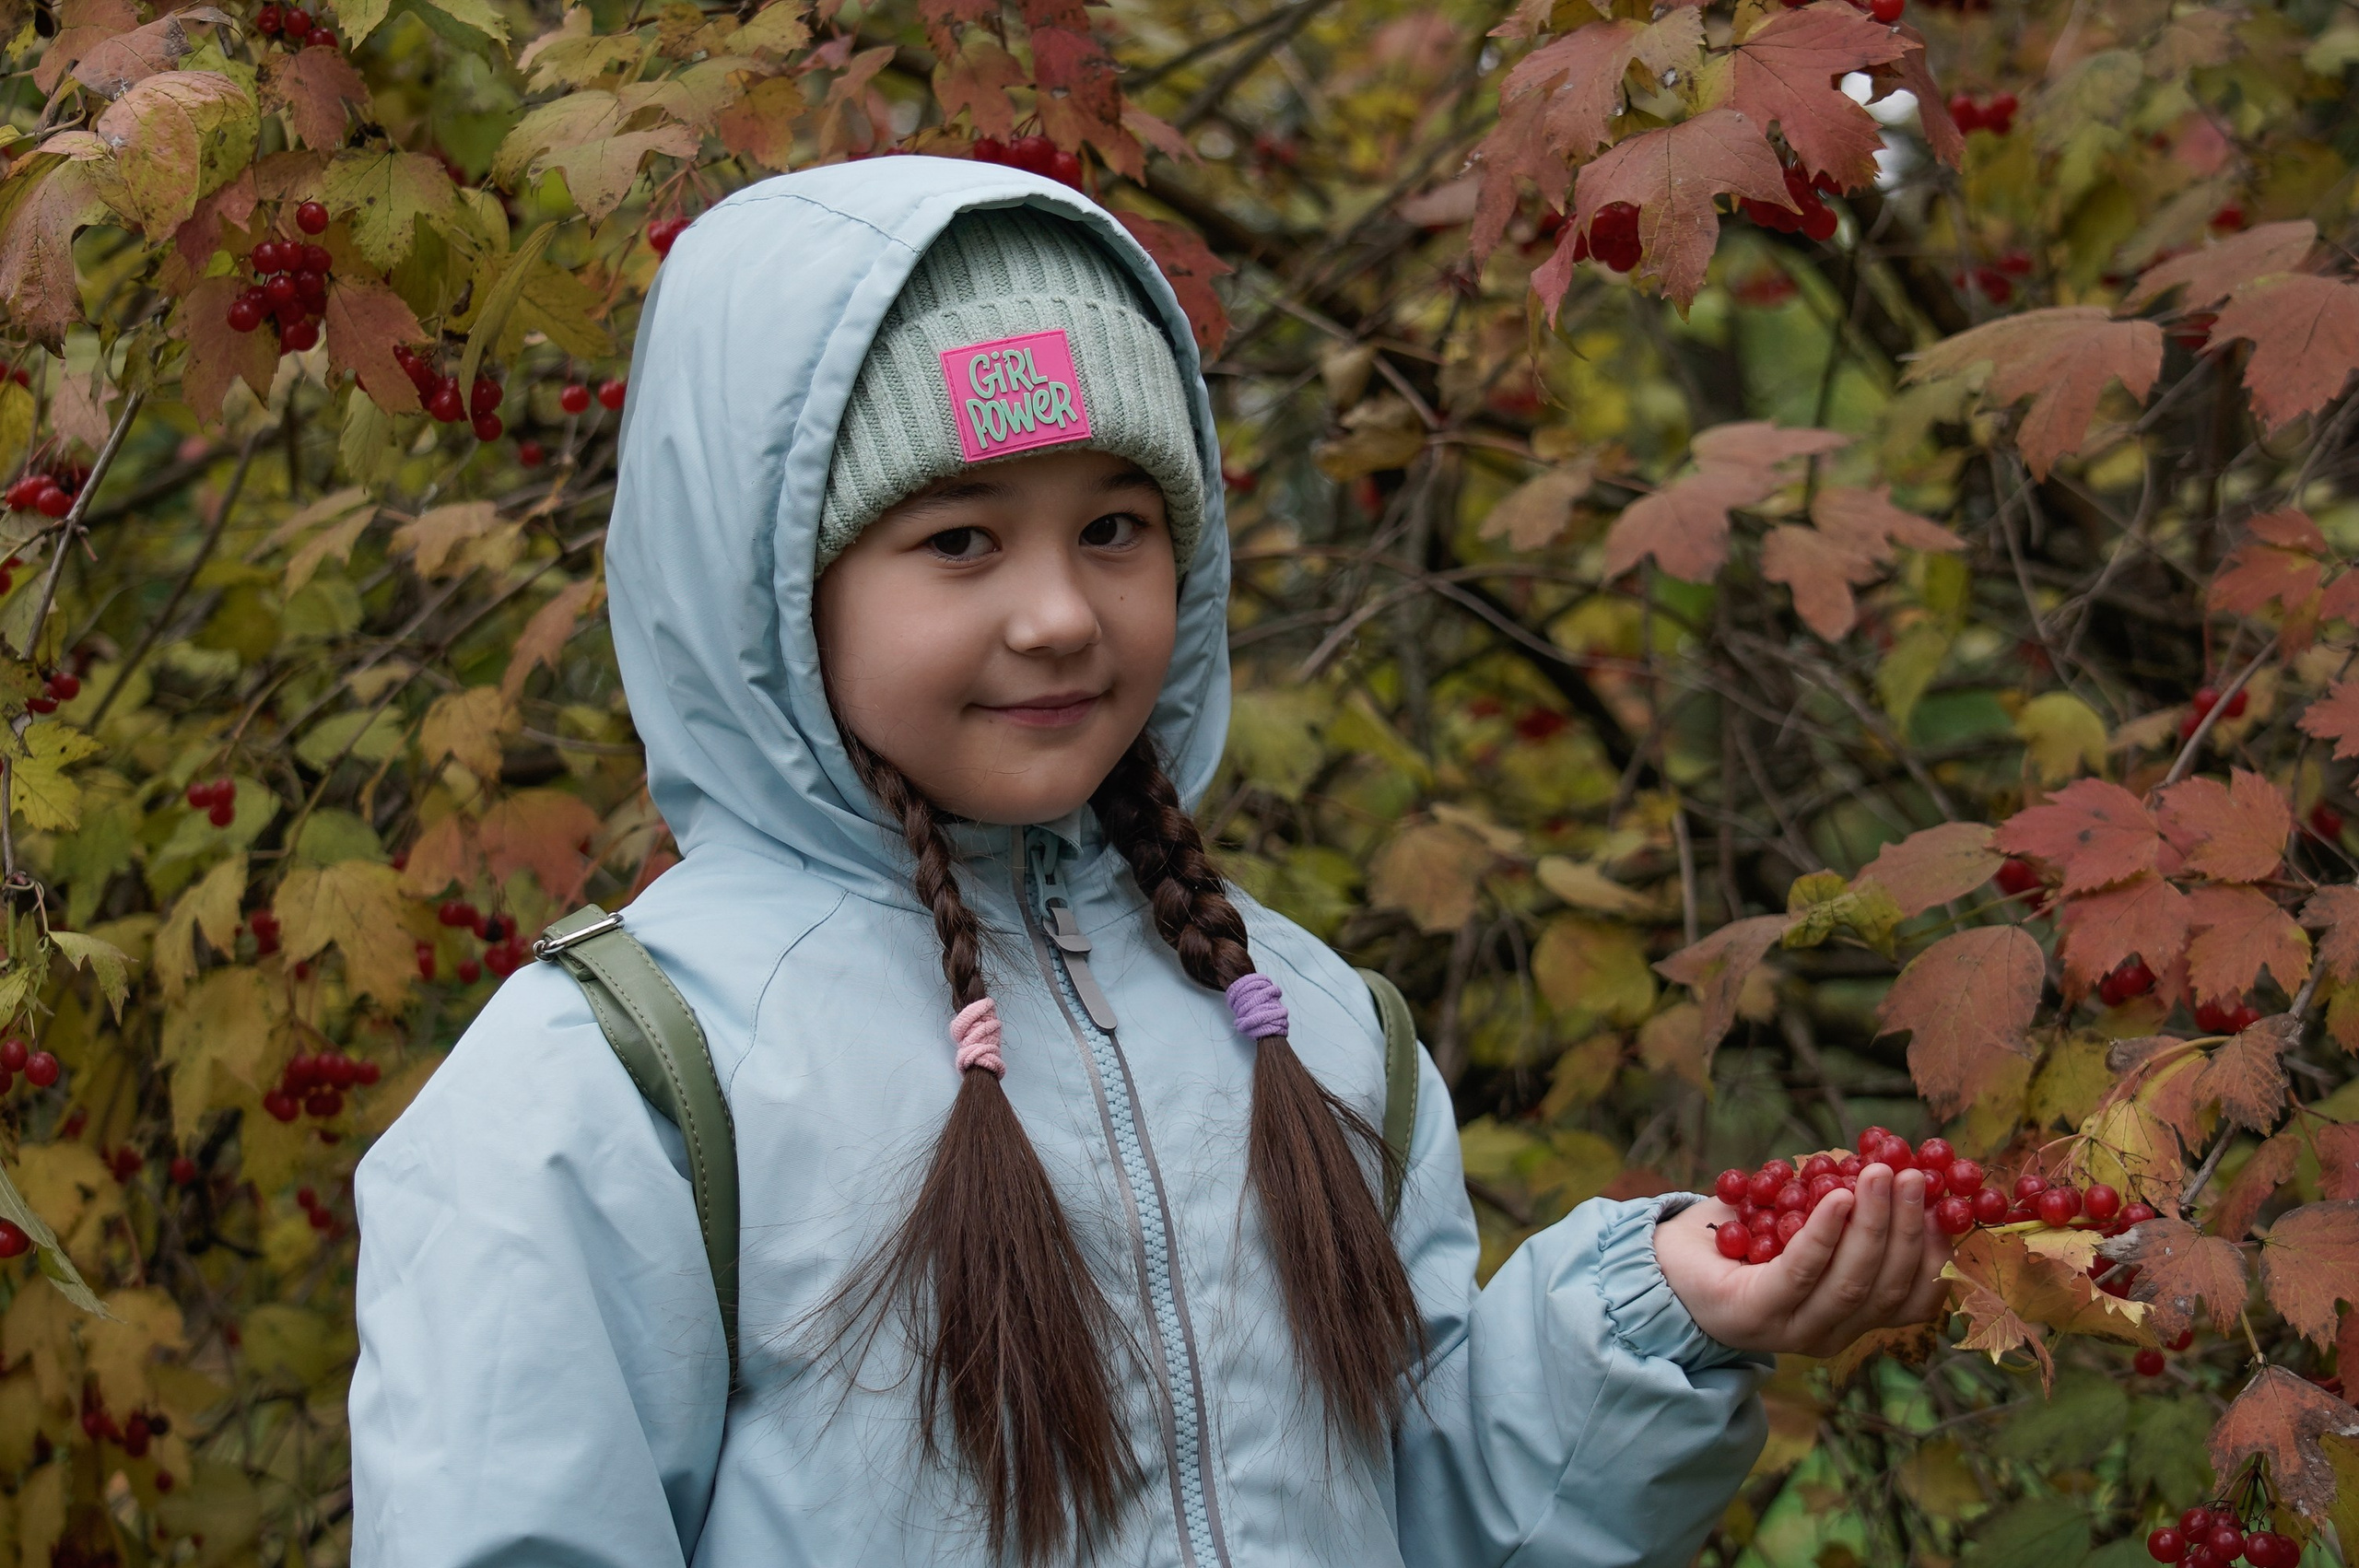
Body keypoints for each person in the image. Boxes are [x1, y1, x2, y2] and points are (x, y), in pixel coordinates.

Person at [348, 157, 1951, 1567]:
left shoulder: (1312, 1028)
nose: (1058, 611)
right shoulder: (614, 1091)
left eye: (1116, 526)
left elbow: (1433, 1513)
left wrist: (1651, 1324)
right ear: (769, 588)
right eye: (960, 539)